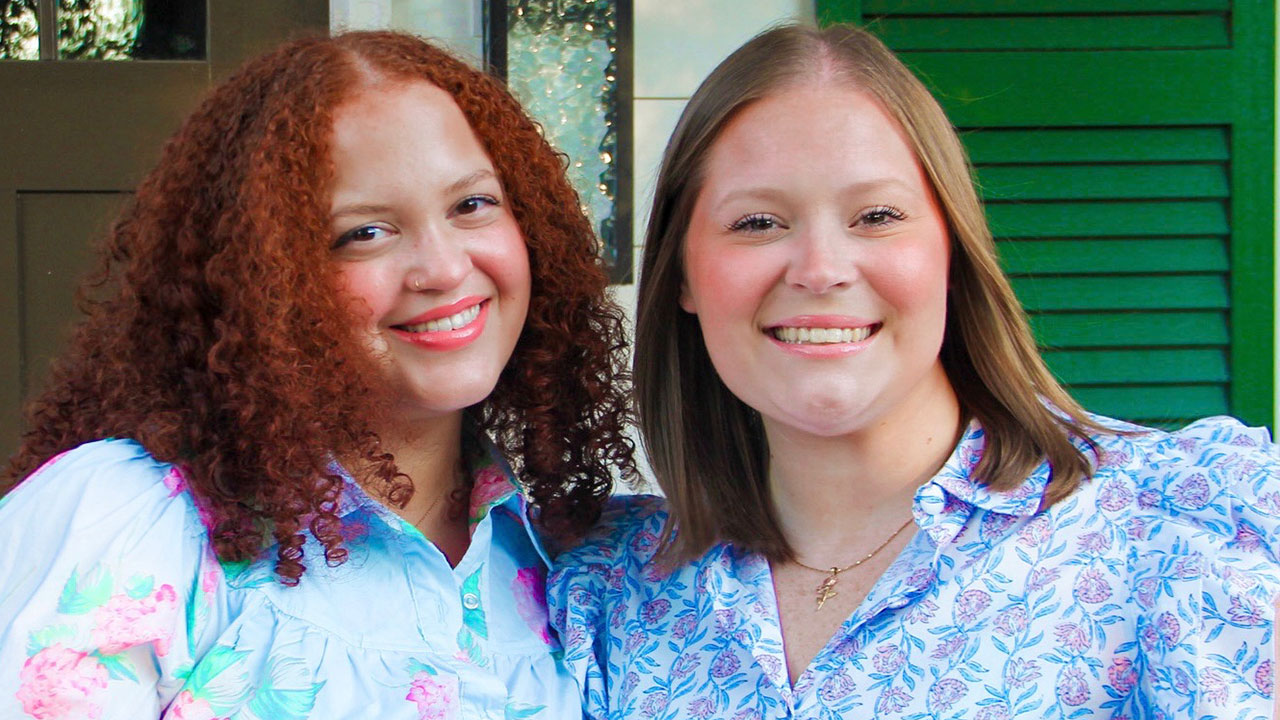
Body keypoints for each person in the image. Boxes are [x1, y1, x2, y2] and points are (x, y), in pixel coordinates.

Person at [548, 23, 1280, 719]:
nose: (821, 270)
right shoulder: (613, 595)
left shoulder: (1180, 533)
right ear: (683, 277)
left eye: (876, 216)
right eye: (757, 224)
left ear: (952, 250)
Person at [0, 31, 635, 719]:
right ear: (262, 281)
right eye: (364, 232)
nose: (446, 269)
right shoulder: (133, 526)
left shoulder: (561, 571)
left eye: (472, 205)